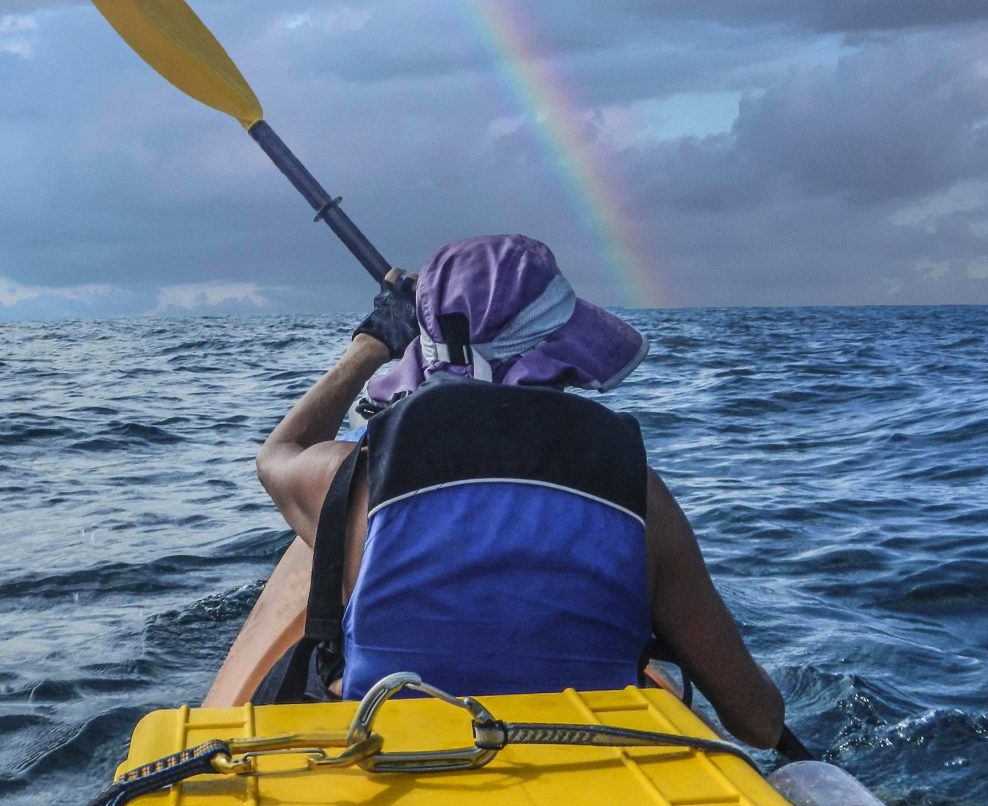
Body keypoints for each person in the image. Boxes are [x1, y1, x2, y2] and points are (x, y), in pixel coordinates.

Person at [254, 233, 786, 749]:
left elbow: (278, 454)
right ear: (563, 358)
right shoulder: (641, 498)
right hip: (591, 790)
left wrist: (370, 345)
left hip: (402, 778)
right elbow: (758, 722)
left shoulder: (350, 482)